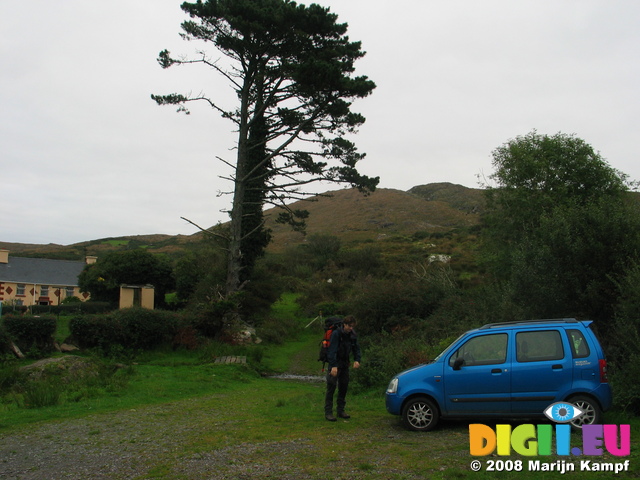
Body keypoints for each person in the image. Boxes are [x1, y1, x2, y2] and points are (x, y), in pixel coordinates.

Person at [324, 315, 361, 421]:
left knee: (343, 387)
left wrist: (357, 359)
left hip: (345, 364)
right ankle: (328, 412)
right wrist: (333, 366)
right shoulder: (336, 334)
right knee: (331, 387)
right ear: (344, 324)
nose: (351, 328)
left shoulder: (352, 335)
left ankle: (341, 410)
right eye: (349, 326)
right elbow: (332, 350)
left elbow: (356, 348)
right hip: (335, 364)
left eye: (352, 326)